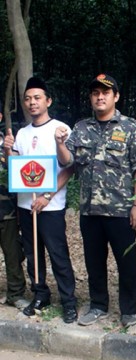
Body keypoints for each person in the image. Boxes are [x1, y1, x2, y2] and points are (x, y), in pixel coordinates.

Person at [55, 74, 136, 328]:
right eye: (95, 92)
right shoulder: (81, 127)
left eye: (105, 92)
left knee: (126, 262)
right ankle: (98, 305)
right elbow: (67, 161)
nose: (100, 96)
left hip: (120, 210)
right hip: (89, 209)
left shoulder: (131, 128)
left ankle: (128, 310)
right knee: (94, 261)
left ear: (115, 97)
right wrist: (60, 143)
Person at [3, 77, 78, 323]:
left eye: (37, 98)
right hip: (26, 205)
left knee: (58, 253)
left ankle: (68, 300)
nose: (32, 102)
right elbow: (14, 167)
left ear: (48, 101)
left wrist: (47, 196)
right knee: (33, 255)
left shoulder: (61, 128)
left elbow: (68, 167)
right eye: (27, 98)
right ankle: (40, 294)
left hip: (51, 206)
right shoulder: (23, 133)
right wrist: (7, 150)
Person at [0, 101, 29, 310]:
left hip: (7, 210)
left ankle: (15, 293)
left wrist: (9, 151)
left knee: (13, 254)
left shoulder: (8, 145)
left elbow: (19, 173)